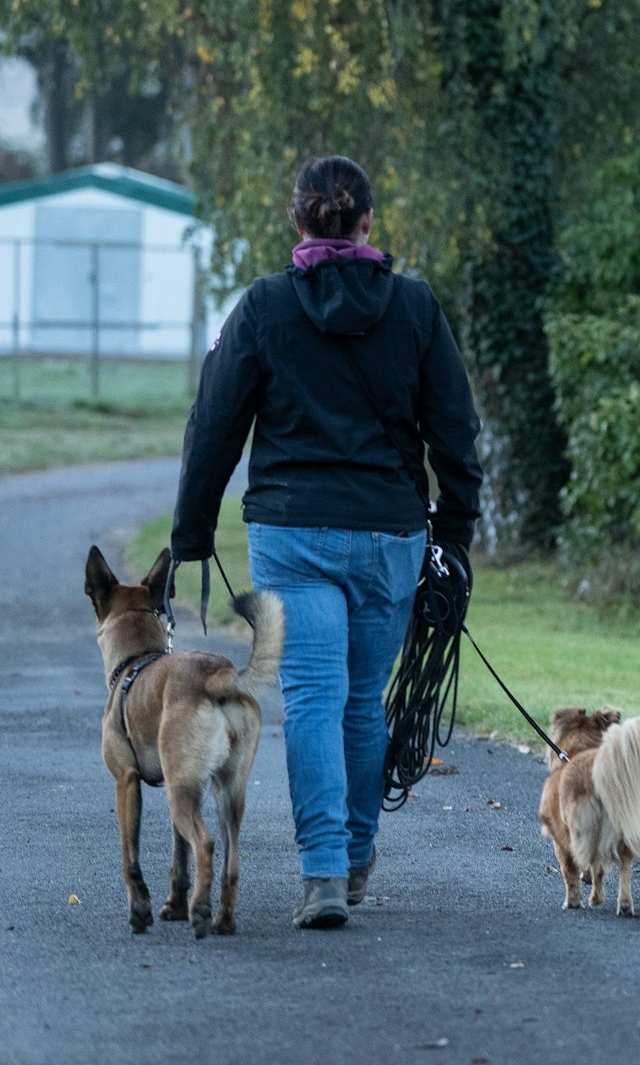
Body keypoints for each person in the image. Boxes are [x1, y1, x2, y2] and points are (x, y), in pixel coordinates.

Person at [172, 155, 483, 929]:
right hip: (389, 534)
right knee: (358, 701)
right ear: (368, 224)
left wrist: (192, 529)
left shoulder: (265, 307)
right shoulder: (415, 309)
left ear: (297, 221)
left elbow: (215, 424)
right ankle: (354, 851)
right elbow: (455, 431)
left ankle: (322, 878)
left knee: (311, 696)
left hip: (293, 531)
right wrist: (454, 532)